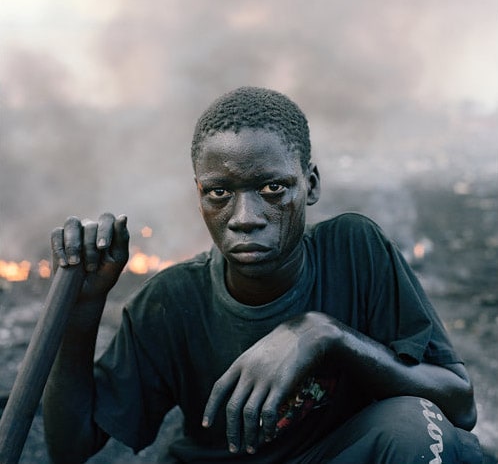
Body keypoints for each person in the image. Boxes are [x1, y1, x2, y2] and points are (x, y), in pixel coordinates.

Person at [43, 87, 483, 463]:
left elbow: (458, 405)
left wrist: (325, 335)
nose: (245, 218)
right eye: (220, 193)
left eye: (273, 189)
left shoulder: (355, 250)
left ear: (309, 185)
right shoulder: (171, 302)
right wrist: (82, 310)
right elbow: (71, 448)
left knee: (417, 429)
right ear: (199, 195)